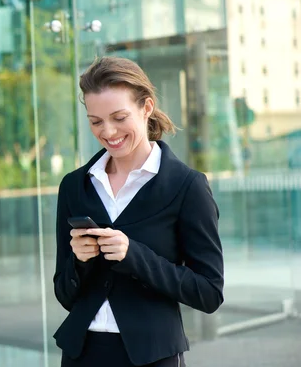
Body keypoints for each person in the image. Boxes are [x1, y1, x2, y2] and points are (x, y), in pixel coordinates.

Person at [53, 56, 224, 367]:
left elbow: (209, 293)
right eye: (96, 121)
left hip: (152, 356)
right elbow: (64, 294)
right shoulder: (74, 186)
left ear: (146, 108)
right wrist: (78, 262)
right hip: (81, 354)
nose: (108, 132)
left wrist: (134, 255)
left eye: (119, 117)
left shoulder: (187, 186)